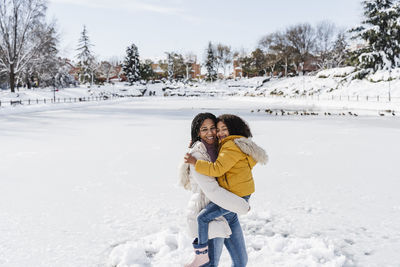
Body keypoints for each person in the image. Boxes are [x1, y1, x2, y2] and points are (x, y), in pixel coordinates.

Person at [184, 114, 268, 267]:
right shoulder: (197, 155)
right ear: (198, 132)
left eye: (213, 128)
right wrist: (241, 205)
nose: (211, 133)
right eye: (204, 130)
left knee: (240, 261)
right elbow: (213, 190)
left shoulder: (222, 146)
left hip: (228, 212)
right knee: (210, 264)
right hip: (214, 213)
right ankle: (200, 254)